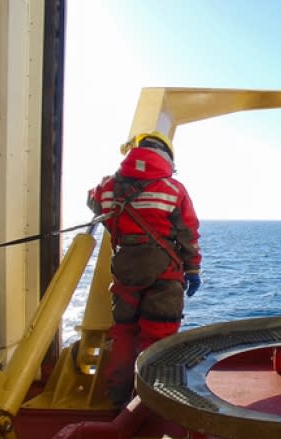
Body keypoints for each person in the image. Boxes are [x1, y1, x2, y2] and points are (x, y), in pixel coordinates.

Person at [87, 130, 202, 406]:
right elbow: (188, 232)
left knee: (124, 332)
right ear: (166, 157)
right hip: (164, 274)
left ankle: (117, 397)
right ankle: (148, 403)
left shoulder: (108, 186)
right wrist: (193, 270)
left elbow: (93, 202)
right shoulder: (174, 189)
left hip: (125, 269)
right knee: (157, 336)